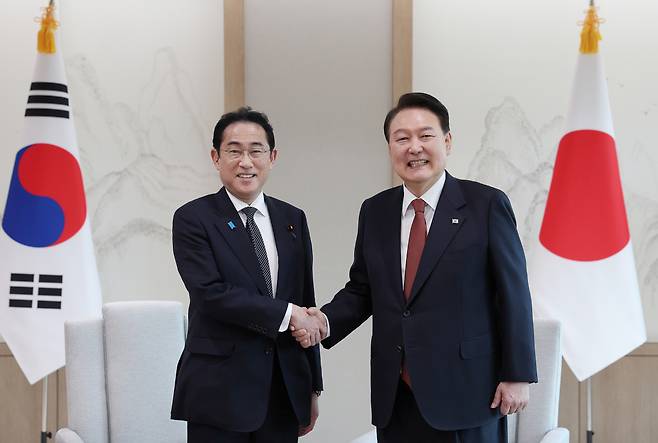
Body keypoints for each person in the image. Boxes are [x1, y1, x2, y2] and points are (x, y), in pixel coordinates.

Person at [293, 93, 537, 442]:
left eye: (425, 135)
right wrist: (324, 322)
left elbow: (514, 294)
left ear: (447, 142)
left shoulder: (485, 205)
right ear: (390, 147)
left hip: (468, 392)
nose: (414, 147)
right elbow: (362, 289)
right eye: (402, 138)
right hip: (397, 396)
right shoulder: (376, 211)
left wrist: (518, 374)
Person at [170, 107, 324, 443]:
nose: (246, 161)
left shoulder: (292, 219)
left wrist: (312, 386)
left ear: (272, 156)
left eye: (256, 150)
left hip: (283, 391)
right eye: (234, 151)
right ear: (215, 157)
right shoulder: (194, 218)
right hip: (219, 393)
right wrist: (287, 313)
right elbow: (211, 294)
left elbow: (304, 301)